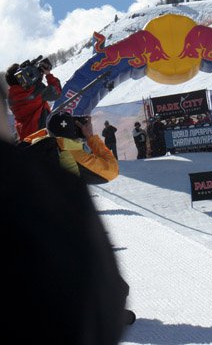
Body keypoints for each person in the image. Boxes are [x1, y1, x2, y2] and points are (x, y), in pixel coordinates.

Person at [0, 81, 130, 344]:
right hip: (64, 220)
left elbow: (30, 139)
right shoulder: (72, 151)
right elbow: (111, 169)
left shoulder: (37, 143)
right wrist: (91, 136)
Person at [6, 57, 62, 141]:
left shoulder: (11, 98)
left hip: (26, 137)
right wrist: (48, 74)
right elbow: (56, 92)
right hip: (42, 134)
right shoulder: (36, 90)